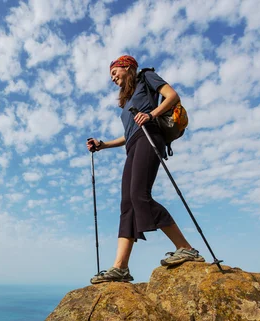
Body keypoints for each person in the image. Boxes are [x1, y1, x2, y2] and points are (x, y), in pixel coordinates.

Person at [87, 55, 204, 284]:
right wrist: (103, 145)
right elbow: (128, 134)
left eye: (114, 72)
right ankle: (120, 267)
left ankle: (185, 248)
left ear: (127, 67)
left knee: (139, 195)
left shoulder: (146, 77)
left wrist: (151, 114)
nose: (112, 78)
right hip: (134, 144)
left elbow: (172, 96)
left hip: (149, 137)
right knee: (127, 203)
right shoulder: (129, 99)